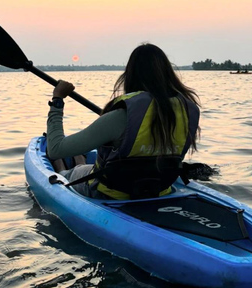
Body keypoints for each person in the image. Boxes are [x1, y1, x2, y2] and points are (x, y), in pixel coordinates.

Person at [46, 43, 201, 200]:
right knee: (86, 166)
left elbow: (56, 150)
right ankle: (79, 158)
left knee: (68, 173)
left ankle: (63, 166)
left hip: (111, 192)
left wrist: (57, 99)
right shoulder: (188, 112)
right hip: (159, 188)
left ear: (130, 75)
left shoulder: (121, 116)